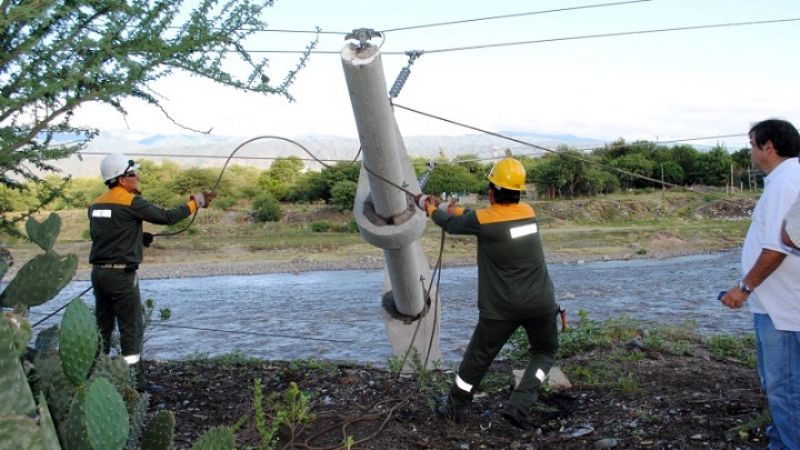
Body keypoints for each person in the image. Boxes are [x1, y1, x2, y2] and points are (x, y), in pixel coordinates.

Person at [417, 157, 559, 430]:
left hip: (501, 309)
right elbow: (481, 218)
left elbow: (452, 224)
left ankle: (454, 408)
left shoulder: (484, 221)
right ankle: (520, 405)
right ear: (519, 192)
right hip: (541, 302)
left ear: (492, 192)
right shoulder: (528, 212)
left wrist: (429, 207)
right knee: (545, 352)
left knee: (477, 360)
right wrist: (455, 211)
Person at [88, 153, 214, 391]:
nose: (137, 177)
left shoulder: (96, 203)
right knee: (130, 329)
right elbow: (167, 217)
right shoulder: (130, 202)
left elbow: (106, 233)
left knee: (101, 328)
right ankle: (135, 384)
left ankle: (95, 378)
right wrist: (196, 201)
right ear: (122, 178)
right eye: (134, 174)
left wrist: (136, 238)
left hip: (99, 275)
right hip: (121, 277)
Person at [720, 119, 800, 450]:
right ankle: (780, 441)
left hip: (781, 308)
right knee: (783, 385)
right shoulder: (786, 178)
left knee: (785, 388)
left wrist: (744, 288)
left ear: (768, 147)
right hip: (777, 303)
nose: (750, 151)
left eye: (752, 144)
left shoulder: (785, 182)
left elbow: (778, 247)